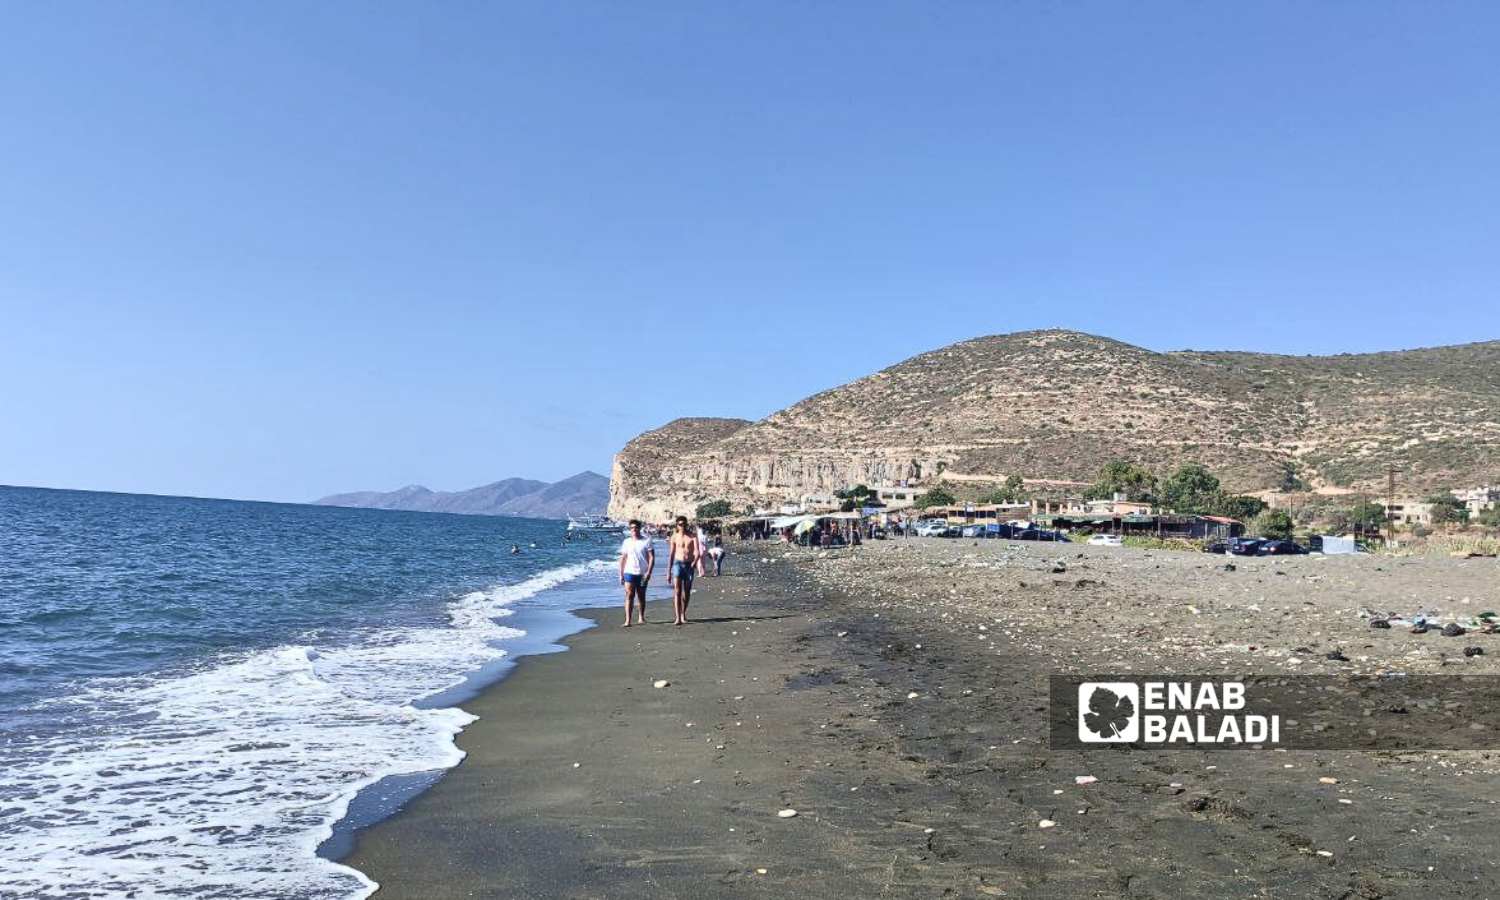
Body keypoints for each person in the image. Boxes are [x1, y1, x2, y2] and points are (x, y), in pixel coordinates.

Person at [617, 519, 654, 627]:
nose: (634, 530)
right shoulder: (627, 542)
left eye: (636, 527)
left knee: (641, 596)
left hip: (642, 573)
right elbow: (623, 558)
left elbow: (652, 557)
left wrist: (649, 572)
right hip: (629, 572)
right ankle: (628, 620)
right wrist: (621, 574)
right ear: (630, 529)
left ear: (639, 528)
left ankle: (641, 617)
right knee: (629, 595)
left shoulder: (646, 541)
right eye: (631, 528)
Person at [667, 515, 699, 625]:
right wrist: (668, 571)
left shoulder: (692, 536)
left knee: (687, 592)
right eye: (680, 524)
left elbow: (697, 552)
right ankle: (677, 617)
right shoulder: (674, 537)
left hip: (689, 564)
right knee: (677, 591)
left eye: (684, 524)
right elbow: (671, 554)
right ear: (677, 525)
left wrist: (694, 562)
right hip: (677, 564)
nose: (683, 526)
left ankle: (683, 613)